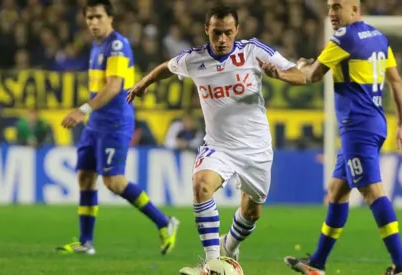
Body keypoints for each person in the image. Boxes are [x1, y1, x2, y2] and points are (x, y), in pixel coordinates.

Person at [127, 5, 306, 275]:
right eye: (216, 33)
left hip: (256, 148)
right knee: (201, 185)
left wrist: (279, 74)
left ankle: (228, 248)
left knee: (252, 212)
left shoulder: (252, 51)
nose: (222, 39)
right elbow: (167, 67)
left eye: (227, 33)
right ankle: (212, 264)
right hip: (218, 145)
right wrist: (144, 82)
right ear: (206, 31)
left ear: (237, 31)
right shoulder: (194, 59)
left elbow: (300, 75)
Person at [283, 1, 402, 275]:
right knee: (337, 190)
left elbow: (312, 76)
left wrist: (299, 65)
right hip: (374, 123)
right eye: (330, 7)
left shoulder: (344, 37)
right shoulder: (378, 37)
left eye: (338, 7)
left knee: (372, 192)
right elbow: (396, 81)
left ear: (355, 10)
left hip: (357, 127)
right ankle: (317, 264)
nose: (331, 13)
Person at [56, 0, 179, 256]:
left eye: (98, 17)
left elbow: (114, 87)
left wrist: (82, 110)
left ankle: (165, 222)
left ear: (110, 18)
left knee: (113, 181)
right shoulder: (97, 45)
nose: (93, 22)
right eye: (89, 18)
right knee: (86, 176)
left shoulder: (116, 45)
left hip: (114, 122)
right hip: (97, 123)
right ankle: (86, 242)